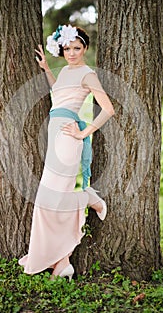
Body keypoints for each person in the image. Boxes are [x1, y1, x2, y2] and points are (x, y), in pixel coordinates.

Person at [19, 24, 115, 281]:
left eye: (77, 48)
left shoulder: (88, 74)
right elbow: (59, 94)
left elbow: (108, 109)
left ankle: (87, 199)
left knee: (48, 200)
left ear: (84, 48)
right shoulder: (64, 72)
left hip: (68, 138)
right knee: (50, 201)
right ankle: (62, 263)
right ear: (61, 50)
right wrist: (48, 70)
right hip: (55, 135)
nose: (71, 53)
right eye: (67, 48)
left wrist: (85, 133)